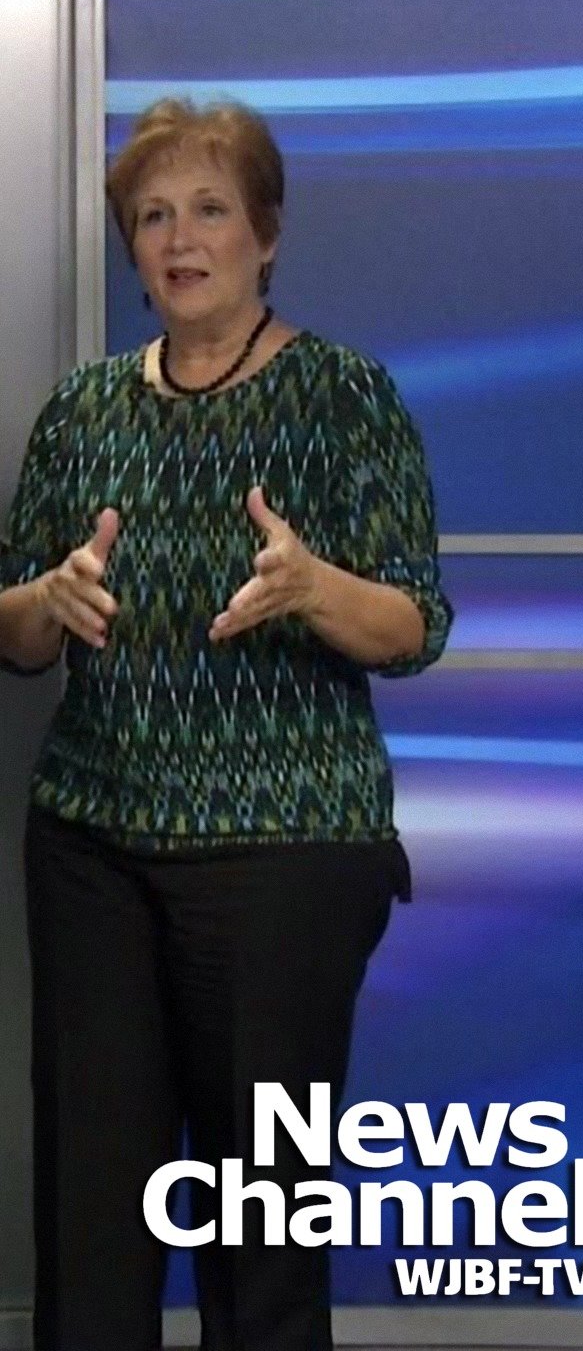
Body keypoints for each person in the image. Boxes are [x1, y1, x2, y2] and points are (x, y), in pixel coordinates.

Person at [0, 98, 452, 1351]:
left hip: (285, 859)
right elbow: (16, 635)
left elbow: (415, 625)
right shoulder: (84, 409)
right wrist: (44, 600)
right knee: (93, 1212)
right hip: (94, 848)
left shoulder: (343, 396)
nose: (179, 238)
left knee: (263, 1223)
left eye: (209, 210)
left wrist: (312, 587)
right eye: (153, 216)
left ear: (267, 234)